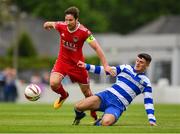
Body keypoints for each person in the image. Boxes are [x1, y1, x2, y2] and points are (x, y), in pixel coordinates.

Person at [43, 6, 114, 121]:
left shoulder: (84, 32)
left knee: (87, 94)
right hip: (62, 62)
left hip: (78, 65)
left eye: (70, 20)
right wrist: (46, 25)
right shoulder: (62, 26)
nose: (68, 22)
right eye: (66, 20)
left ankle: (94, 116)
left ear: (76, 19)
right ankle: (64, 95)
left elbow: (97, 47)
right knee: (53, 83)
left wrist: (105, 65)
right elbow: (50, 23)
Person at [74, 53, 157, 126]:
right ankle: (79, 116)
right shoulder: (125, 68)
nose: (138, 63)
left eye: (141, 62)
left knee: (106, 123)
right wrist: (86, 66)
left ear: (147, 65)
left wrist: (151, 119)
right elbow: (106, 70)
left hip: (118, 105)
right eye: (137, 61)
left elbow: (148, 101)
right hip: (106, 96)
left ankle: (99, 122)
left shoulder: (146, 82)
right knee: (78, 106)